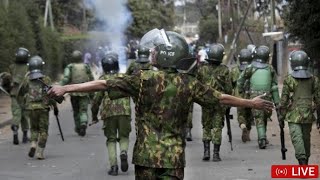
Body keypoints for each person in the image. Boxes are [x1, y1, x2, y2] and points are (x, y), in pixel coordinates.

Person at [48, 29, 274, 179]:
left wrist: (66, 88)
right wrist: (251, 103)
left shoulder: (142, 79)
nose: (152, 53)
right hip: (173, 159)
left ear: (164, 55)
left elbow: (103, 84)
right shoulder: (188, 83)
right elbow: (220, 98)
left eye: (156, 50)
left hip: (146, 158)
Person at [91, 52, 132, 176]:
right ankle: (123, 152)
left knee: (111, 139)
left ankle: (114, 166)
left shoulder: (102, 80)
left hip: (109, 113)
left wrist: (94, 116)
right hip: (125, 111)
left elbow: (96, 100)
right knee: (124, 137)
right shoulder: (124, 78)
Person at [279, 50, 320, 165]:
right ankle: (304, 160)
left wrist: (281, 117)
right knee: (306, 138)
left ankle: (302, 160)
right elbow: (318, 100)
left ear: (293, 63)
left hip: (293, 115)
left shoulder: (289, 79)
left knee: (297, 137)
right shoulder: (314, 79)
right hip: (308, 114)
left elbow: (284, 101)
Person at [238, 45, 280, 149]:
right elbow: (274, 86)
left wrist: (241, 89)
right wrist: (277, 102)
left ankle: (261, 138)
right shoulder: (270, 68)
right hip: (268, 96)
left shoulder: (251, 67)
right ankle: (263, 137)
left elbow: (241, 79)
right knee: (265, 117)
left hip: (254, 97)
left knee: (258, 118)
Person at [196, 43, 232, 161]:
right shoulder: (225, 70)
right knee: (217, 127)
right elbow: (228, 89)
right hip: (220, 103)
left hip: (206, 102)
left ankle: (206, 152)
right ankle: (216, 154)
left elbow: (198, 86)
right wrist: (228, 103)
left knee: (206, 126)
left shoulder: (202, 69)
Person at [21, 56, 58, 160]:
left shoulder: (27, 79)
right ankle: (40, 152)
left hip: (31, 108)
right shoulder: (46, 79)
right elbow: (51, 95)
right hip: (43, 108)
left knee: (33, 128)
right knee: (43, 131)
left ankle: (33, 143)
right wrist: (55, 107)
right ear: (41, 66)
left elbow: (23, 91)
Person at [60, 50, 94, 137]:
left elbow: (66, 78)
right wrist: (92, 92)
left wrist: (59, 86)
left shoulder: (70, 67)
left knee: (76, 111)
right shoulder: (86, 66)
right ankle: (83, 123)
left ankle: (78, 127)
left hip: (74, 92)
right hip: (84, 91)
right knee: (83, 110)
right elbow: (91, 78)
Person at [2, 47, 31, 145]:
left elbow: (6, 80)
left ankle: (15, 131)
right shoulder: (29, 67)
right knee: (25, 116)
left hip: (14, 94)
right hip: (26, 95)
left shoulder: (11, 67)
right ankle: (25, 136)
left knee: (16, 114)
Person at [230, 48, 254, 142]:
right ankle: (248, 133)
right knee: (249, 115)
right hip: (250, 95)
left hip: (238, 96)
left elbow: (231, 84)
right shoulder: (253, 69)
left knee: (241, 114)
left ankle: (243, 126)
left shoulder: (234, 70)